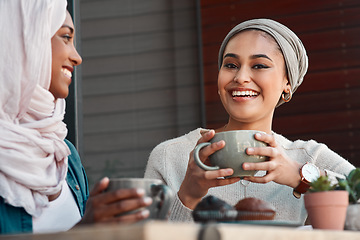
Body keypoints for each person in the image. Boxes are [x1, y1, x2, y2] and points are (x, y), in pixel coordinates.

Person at [144, 18, 355, 224]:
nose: (241, 77)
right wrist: (188, 196)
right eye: (231, 65)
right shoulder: (168, 157)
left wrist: (301, 177)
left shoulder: (309, 156)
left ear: (287, 83)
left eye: (260, 65)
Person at [0, 0, 151, 234]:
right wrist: (83, 231)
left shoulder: (65, 157)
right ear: (24, 41)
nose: (77, 57)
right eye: (66, 37)